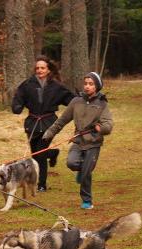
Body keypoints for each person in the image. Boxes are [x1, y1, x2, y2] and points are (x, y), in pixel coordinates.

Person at [43, 72, 113, 210]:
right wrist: (49, 133)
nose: (87, 86)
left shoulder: (102, 103)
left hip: (93, 143)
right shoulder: (76, 102)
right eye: (85, 83)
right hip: (78, 140)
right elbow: (62, 120)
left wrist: (101, 128)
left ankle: (87, 200)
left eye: (91, 84)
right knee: (71, 162)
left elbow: (109, 124)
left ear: (97, 86)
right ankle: (81, 171)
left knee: (87, 172)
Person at [11, 55, 75, 192]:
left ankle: (41, 184)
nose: (39, 70)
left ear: (48, 70)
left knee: (40, 153)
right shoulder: (27, 84)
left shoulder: (56, 86)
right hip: (32, 123)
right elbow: (18, 97)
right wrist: (17, 107)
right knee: (35, 154)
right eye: (37, 68)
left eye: (42, 68)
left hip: (49, 123)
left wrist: (83, 100)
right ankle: (52, 153)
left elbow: (71, 99)